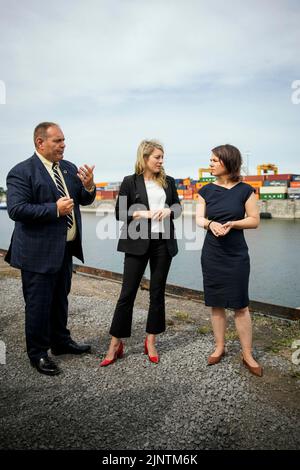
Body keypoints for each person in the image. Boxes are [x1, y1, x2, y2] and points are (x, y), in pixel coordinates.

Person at [5, 122, 96, 376]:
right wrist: (54, 209)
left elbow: (84, 199)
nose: (63, 145)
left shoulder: (67, 168)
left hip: (65, 250)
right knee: (38, 304)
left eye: (64, 140)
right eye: (57, 141)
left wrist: (89, 186)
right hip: (36, 252)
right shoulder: (21, 172)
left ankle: (60, 342)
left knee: (60, 299)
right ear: (40, 142)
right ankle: (38, 353)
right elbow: (16, 209)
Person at [100, 139, 182, 366]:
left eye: (162, 157)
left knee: (157, 292)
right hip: (136, 243)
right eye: (157, 157)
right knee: (127, 294)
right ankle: (115, 344)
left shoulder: (169, 182)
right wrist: (143, 214)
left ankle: (151, 341)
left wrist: (168, 210)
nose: (161, 161)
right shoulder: (130, 182)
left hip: (163, 243)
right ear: (144, 158)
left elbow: (178, 207)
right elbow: (120, 213)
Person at [196, 144, 263, 377]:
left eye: (214, 160)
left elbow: (254, 220)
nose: (210, 164)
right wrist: (210, 223)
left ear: (227, 162)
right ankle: (220, 347)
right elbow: (199, 219)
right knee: (216, 303)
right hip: (212, 253)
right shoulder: (205, 190)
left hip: (236, 254)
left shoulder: (246, 190)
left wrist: (234, 223)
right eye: (210, 160)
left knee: (240, 305)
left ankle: (247, 354)